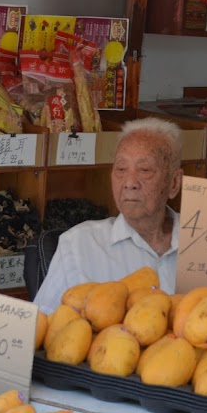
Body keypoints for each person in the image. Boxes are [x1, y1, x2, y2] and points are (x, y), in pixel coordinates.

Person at [33, 117, 184, 314]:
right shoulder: (80, 244)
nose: (129, 182)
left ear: (174, 183)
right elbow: (42, 325)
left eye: (145, 170)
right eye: (121, 169)